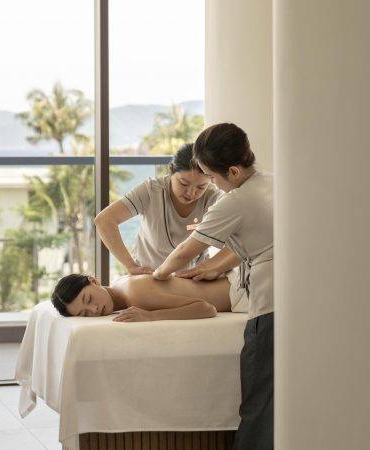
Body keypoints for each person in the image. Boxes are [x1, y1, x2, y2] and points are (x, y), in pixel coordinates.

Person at [153, 123, 273, 450]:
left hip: (270, 306)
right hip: (296, 297)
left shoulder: (234, 201)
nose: (212, 186)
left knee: (258, 402)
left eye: (211, 178)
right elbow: (257, 239)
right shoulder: (275, 183)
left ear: (232, 171)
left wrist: (157, 273)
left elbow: (184, 252)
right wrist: (215, 266)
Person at [95, 143, 221, 275]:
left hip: (192, 278)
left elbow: (234, 243)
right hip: (149, 276)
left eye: (201, 187)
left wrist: (210, 267)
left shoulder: (213, 197)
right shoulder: (151, 191)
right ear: (171, 170)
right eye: (184, 183)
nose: (191, 193)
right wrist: (130, 265)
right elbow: (104, 220)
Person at [49, 272, 246, 321]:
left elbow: (206, 309)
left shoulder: (135, 293)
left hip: (242, 291)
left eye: (89, 299)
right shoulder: (120, 285)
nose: (94, 309)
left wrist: (150, 316)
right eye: (85, 314)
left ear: (93, 281)